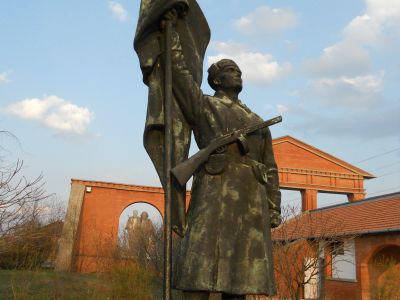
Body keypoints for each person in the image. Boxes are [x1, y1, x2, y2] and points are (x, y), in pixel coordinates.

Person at [161, 9, 282, 300]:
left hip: (250, 199)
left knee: (239, 278)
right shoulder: (204, 105)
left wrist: (273, 207)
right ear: (215, 81)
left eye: (239, 70)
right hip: (214, 188)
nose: (237, 73)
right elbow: (178, 72)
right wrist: (170, 33)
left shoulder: (257, 120)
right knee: (198, 266)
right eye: (230, 70)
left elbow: (270, 168)